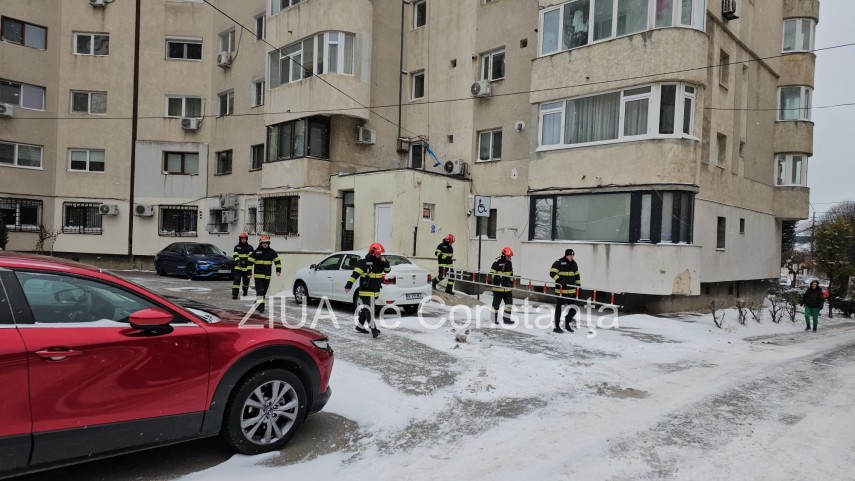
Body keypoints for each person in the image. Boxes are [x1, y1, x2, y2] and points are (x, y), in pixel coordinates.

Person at [345, 243, 391, 338]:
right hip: (365, 292)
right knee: (369, 310)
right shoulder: (363, 262)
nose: (381, 256)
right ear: (373, 252)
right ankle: (373, 329)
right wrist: (349, 285)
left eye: (382, 254)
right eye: (379, 254)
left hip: (375, 292)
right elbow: (355, 275)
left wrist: (385, 261)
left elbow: (388, 270)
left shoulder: (380, 262)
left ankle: (360, 326)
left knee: (367, 309)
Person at [549, 249, 582, 333]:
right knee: (559, 309)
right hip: (561, 291)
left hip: (571, 292)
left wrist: (579, 286)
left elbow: (577, 276)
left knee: (575, 307)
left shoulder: (574, 264)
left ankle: (567, 323)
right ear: (566, 255)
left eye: (573, 255)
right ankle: (557, 327)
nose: (572, 257)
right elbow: (552, 273)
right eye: (570, 255)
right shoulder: (559, 262)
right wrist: (560, 280)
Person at [247, 235, 281, 313]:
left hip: (267, 276)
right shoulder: (255, 252)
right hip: (258, 276)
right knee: (260, 291)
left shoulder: (272, 252)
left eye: (266, 243)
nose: (265, 244)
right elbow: (249, 263)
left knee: (263, 292)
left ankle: (257, 303)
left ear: (268, 243)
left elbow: (277, 261)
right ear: (260, 243)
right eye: (263, 243)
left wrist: (278, 270)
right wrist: (249, 273)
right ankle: (262, 307)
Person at [489, 247, 515, 325]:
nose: (509, 258)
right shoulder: (496, 262)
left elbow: (511, 274)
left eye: (510, 257)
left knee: (509, 304)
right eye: (508, 256)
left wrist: (511, 283)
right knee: (496, 305)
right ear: (504, 255)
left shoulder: (509, 263)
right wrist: (496, 277)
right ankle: (493, 319)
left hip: (507, 289)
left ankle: (506, 319)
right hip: (498, 289)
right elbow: (491, 274)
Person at [231, 232, 253, 300]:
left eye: (244, 239)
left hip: (246, 268)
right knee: (236, 281)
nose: (243, 240)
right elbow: (235, 255)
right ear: (240, 239)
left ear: (246, 239)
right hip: (238, 268)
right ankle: (235, 295)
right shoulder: (236, 247)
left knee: (246, 282)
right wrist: (239, 261)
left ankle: (245, 291)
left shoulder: (250, 247)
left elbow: (251, 257)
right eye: (242, 239)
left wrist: (246, 262)